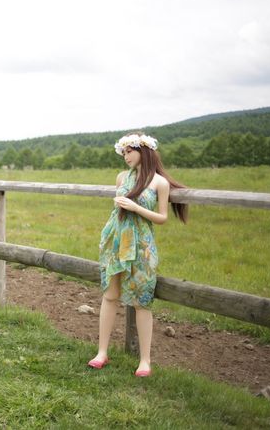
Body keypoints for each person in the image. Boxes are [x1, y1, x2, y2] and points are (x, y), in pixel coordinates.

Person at [88, 133, 188, 377]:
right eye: (123, 153)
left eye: (129, 152)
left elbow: (163, 217)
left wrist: (136, 207)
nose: (125, 157)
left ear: (143, 151)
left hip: (142, 243)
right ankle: (102, 352)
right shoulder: (121, 178)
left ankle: (145, 360)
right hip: (116, 240)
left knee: (142, 299)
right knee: (110, 294)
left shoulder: (159, 183)